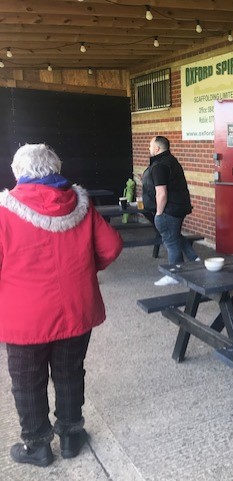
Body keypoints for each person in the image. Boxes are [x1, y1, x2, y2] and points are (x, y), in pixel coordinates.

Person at [0, 143, 123, 467]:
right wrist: (86, 269)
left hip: (25, 319)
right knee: (70, 374)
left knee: (27, 382)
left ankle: (37, 446)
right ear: (55, 169)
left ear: (19, 172)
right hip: (75, 310)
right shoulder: (81, 205)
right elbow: (111, 247)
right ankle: (70, 437)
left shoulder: (4, 211)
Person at [142, 135, 200, 286]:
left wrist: (159, 213)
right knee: (174, 236)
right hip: (179, 207)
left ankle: (175, 274)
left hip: (169, 210)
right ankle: (195, 260)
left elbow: (161, 193)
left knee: (170, 241)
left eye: (150, 146)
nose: (149, 148)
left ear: (157, 148)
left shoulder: (159, 166)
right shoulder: (172, 161)